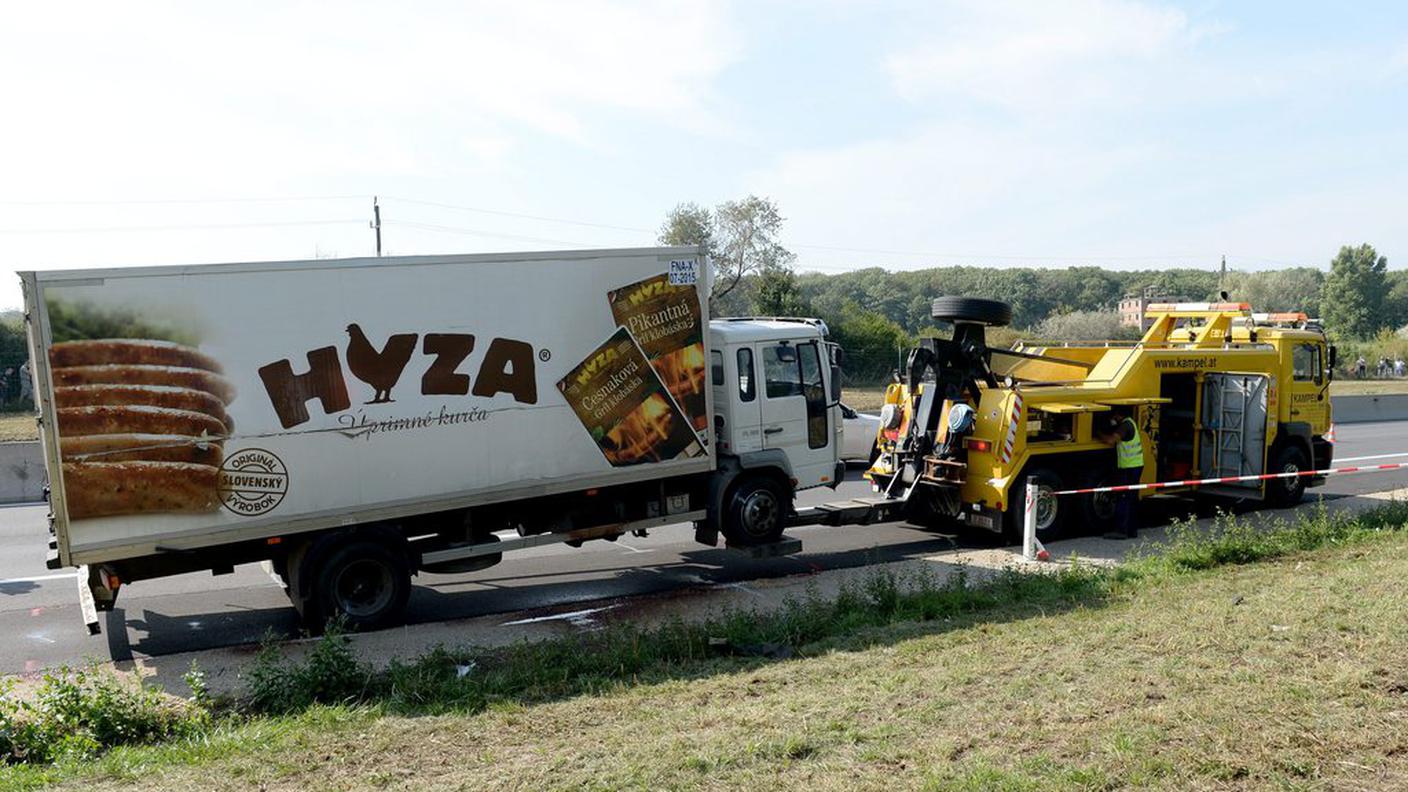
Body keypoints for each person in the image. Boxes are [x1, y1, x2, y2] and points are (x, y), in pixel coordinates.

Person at [1098, 412, 1144, 540]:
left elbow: (1111, 441)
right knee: (1132, 499)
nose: (1112, 420)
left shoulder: (1125, 426)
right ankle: (1132, 530)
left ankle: (1121, 531)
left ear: (1119, 416)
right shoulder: (1131, 423)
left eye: (1113, 417)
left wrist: (1098, 433)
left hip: (1129, 468)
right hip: (1135, 466)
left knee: (1123, 498)